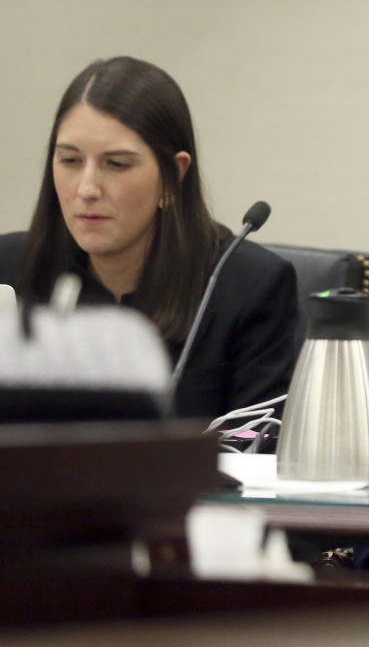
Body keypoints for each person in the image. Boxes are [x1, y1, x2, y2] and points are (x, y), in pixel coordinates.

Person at [0, 56, 300, 419]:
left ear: (174, 174)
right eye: (70, 160)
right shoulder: (11, 268)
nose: (87, 188)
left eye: (117, 164)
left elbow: (258, 438)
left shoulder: (250, 287)